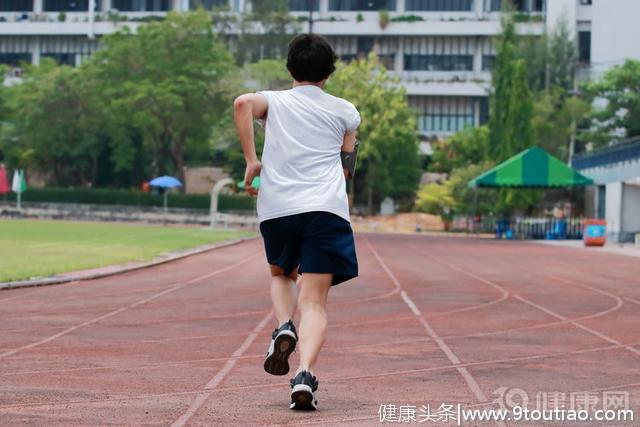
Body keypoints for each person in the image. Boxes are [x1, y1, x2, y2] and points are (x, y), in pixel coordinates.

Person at [233, 33, 360, 411]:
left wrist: (252, 161)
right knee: (316, 302)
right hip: (325, 210)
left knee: (281, 275)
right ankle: (303, 374)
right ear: (329, 73)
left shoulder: (272, 102)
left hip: (278, 208)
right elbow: (348, 164)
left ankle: (284, 324)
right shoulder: (345, 111)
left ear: (290, 69)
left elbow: (241, 104)